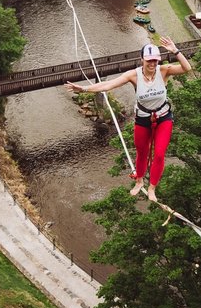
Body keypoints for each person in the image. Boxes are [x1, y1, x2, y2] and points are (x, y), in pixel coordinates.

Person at [65, 36, 191, 202]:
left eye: (155, 61)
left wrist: (175, 50)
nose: (152, 64)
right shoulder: (133, 75)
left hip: (163, 117)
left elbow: (187, 68)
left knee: (159, 154)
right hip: (143, 119)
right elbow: (108, 85)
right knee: (142, 152)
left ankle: (152, 187)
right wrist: (84, 89)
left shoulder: (164, 70)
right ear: (142, 60)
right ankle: (139, 181)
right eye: (149, 61)